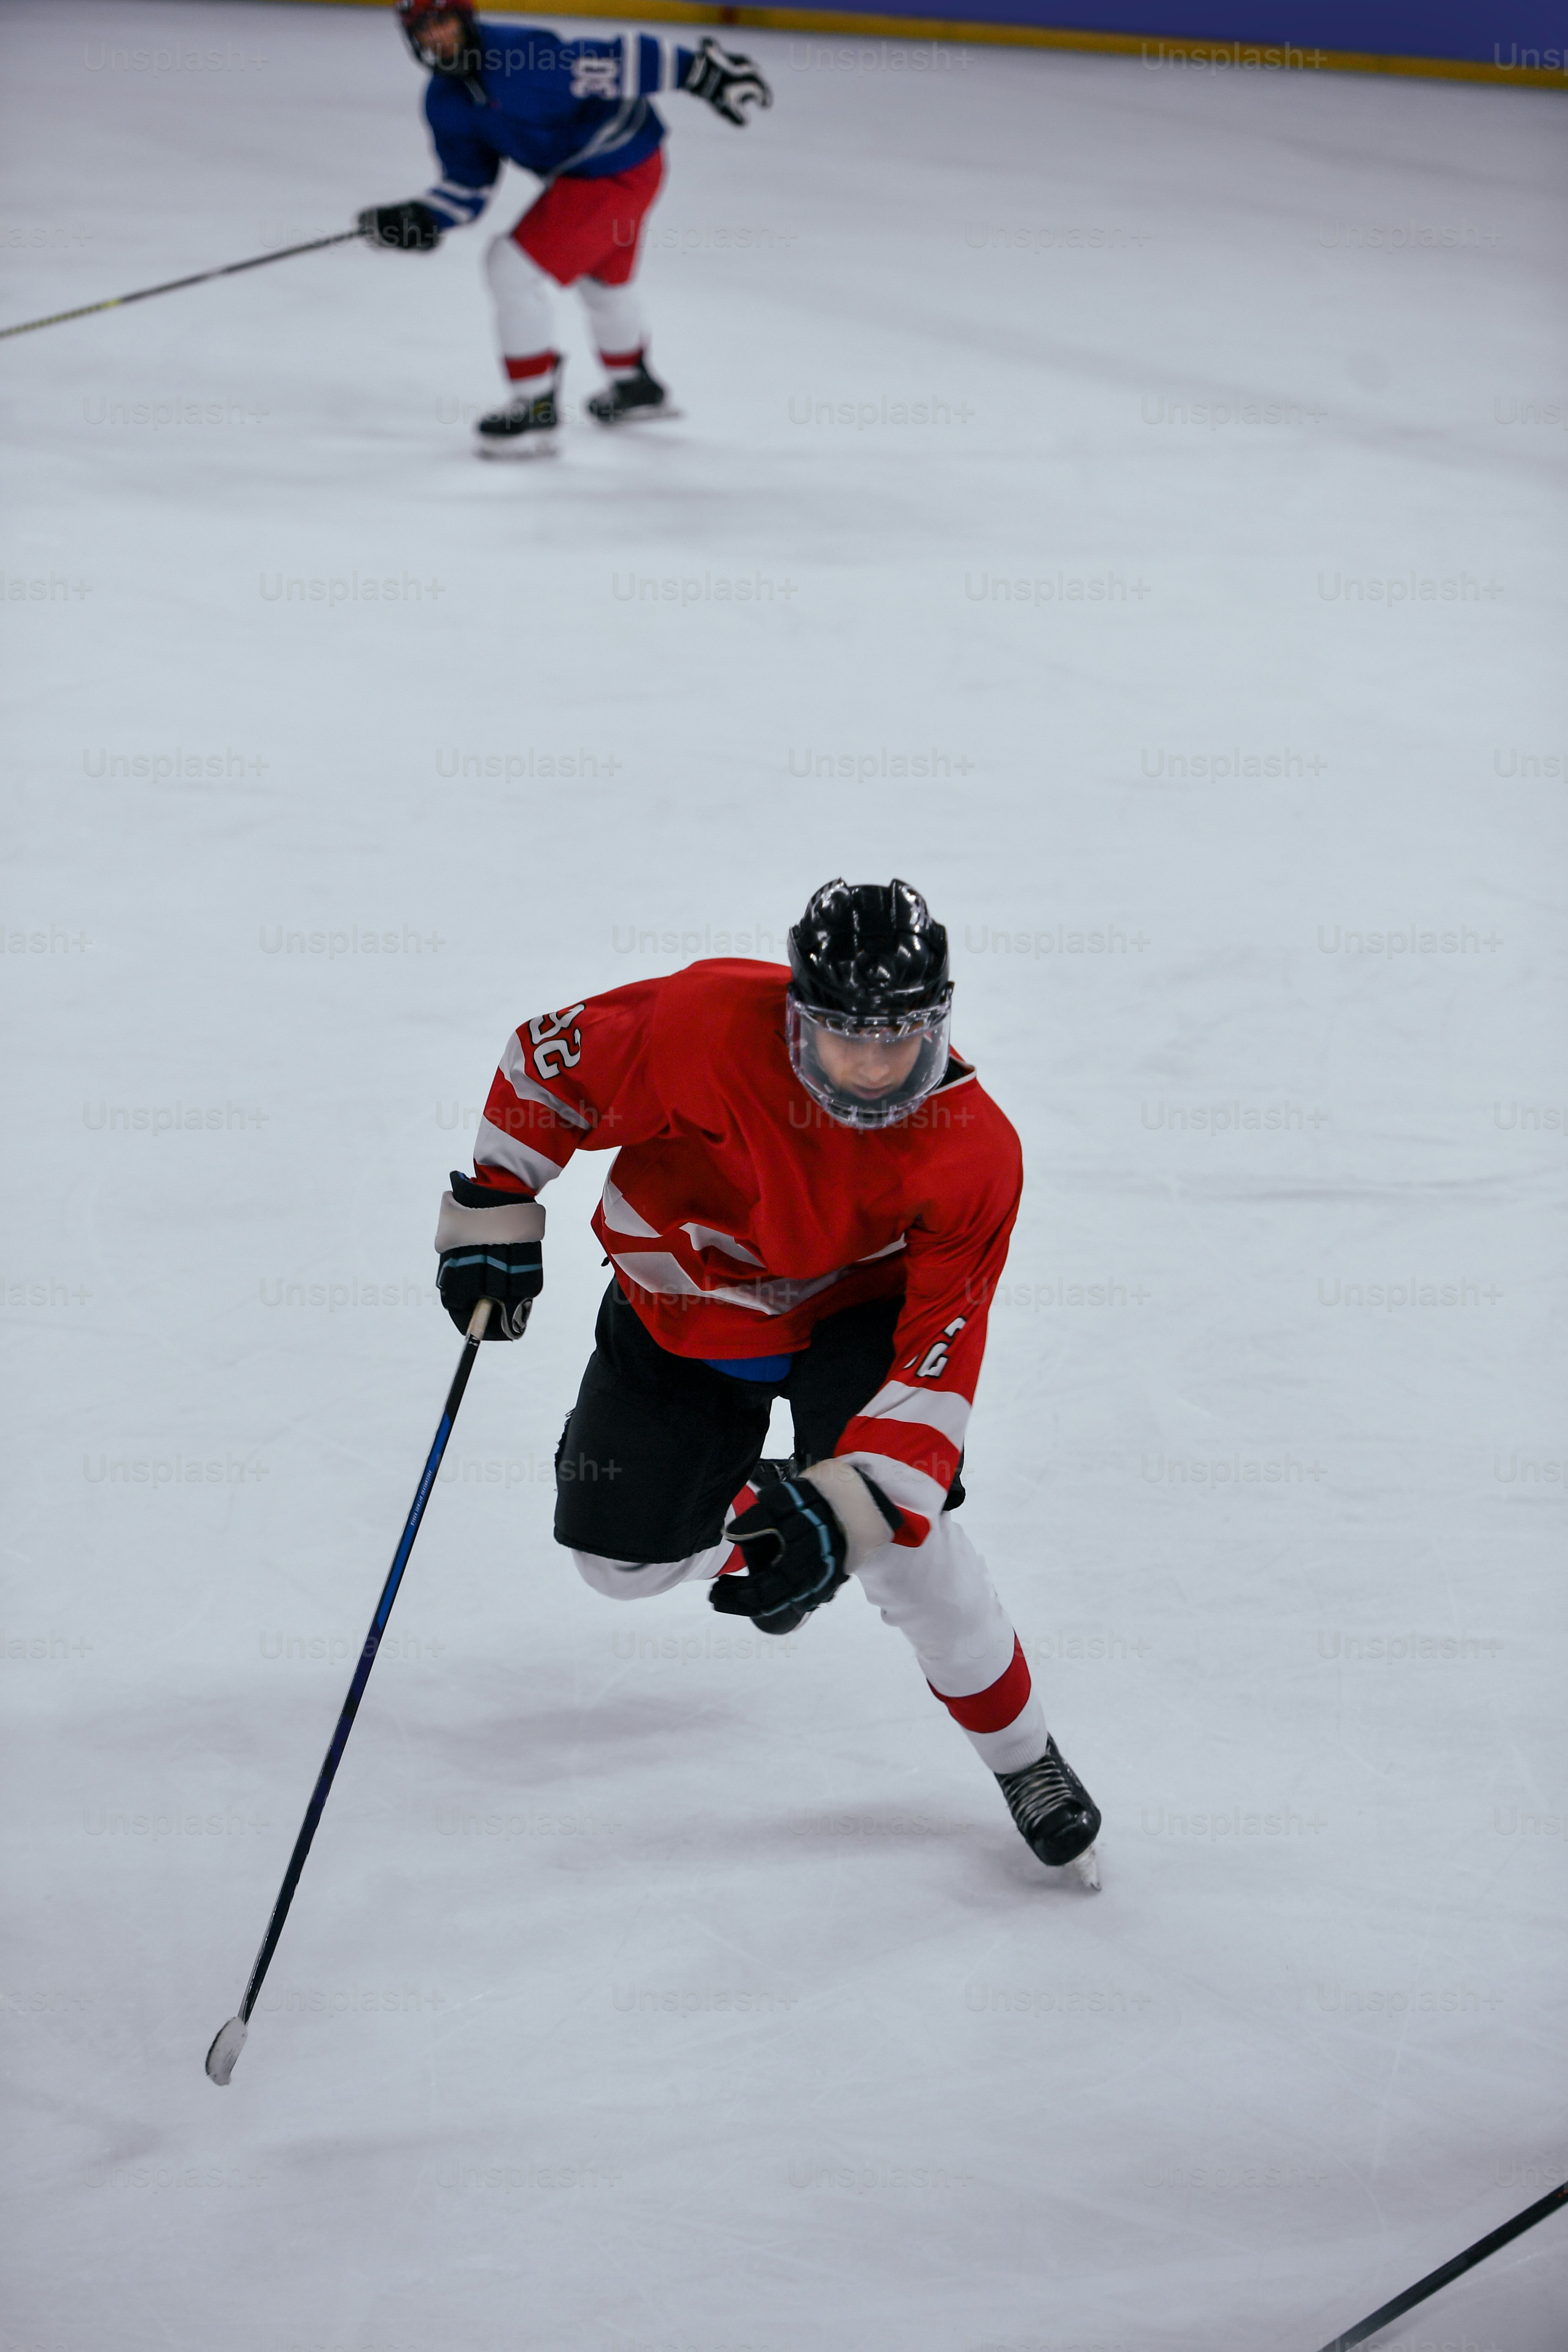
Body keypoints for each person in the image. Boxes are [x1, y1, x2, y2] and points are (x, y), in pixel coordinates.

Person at [432, 881, 1102, 1884]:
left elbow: (935, 1366)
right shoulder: (701, 1023)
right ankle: (758, 1503)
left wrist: (858, 1510)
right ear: (799, 1014)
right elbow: (550, 1062)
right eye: (845, 1037)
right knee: (617, 1566)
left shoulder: (973, 1153)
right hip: (685, 1310)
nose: (874, 1065)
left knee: (904, 1554)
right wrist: (496, 1197)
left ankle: (1025, 1758)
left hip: (854, 1322)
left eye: (902, 1035)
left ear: (940, 1018)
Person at [357, 0, 771, 457]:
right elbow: (469, 187)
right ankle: (635, 388)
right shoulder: (444, 101)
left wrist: (702, 72)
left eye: (442, 22)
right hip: (601, 173)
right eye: (421, 29)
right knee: (603, 284)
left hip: (618, 170)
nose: (434, 36)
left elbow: (620, 60)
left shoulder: (523, 57)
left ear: (465, 18)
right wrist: (420, 217)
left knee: (509, 269)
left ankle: (534, 409)